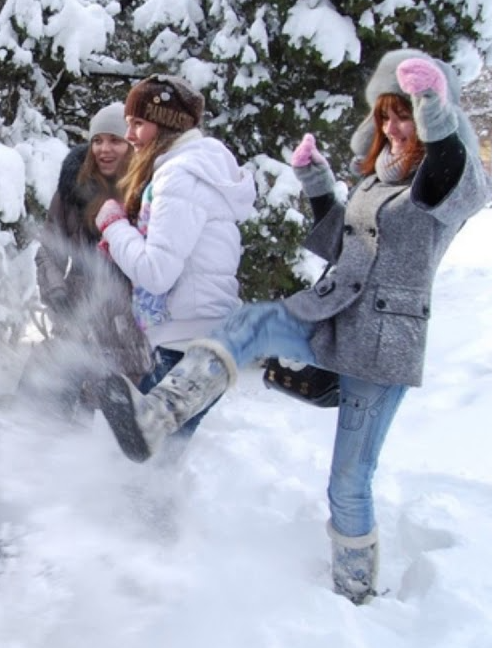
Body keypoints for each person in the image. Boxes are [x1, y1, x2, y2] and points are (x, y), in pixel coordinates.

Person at [95, 50, 490, 603]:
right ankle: (157, 416)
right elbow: (343, 244)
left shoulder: (456, 182)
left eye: (406, 115)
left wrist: (434, 109)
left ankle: (354, 595)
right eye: (386, 115)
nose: (395, 128)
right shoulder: (378, 181)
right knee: (251, 321)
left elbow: (444, 178)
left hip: (382, 347)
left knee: (348, 483)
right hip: (332, 319)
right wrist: (317, 184)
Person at [92, 75, 255, 455]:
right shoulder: (191, 168)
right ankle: (145, 514)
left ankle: (126, 515)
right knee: (157, 460)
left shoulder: (178, 175)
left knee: (145, 457)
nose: (129, 133)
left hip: (187, 338)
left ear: (164, 124)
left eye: (137, 123)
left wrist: (115, 227)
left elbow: (157, 272)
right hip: (197, 333)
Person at [29, 102, 151, 415]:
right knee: (43, 404)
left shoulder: (148, 192)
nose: (104, 149)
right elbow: (49, 249)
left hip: (130, 326)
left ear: (131, 144)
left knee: (109, 420)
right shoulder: (72, 189)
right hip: (76, 315)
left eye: (115, 140)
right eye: (98, 140)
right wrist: (56, 292)